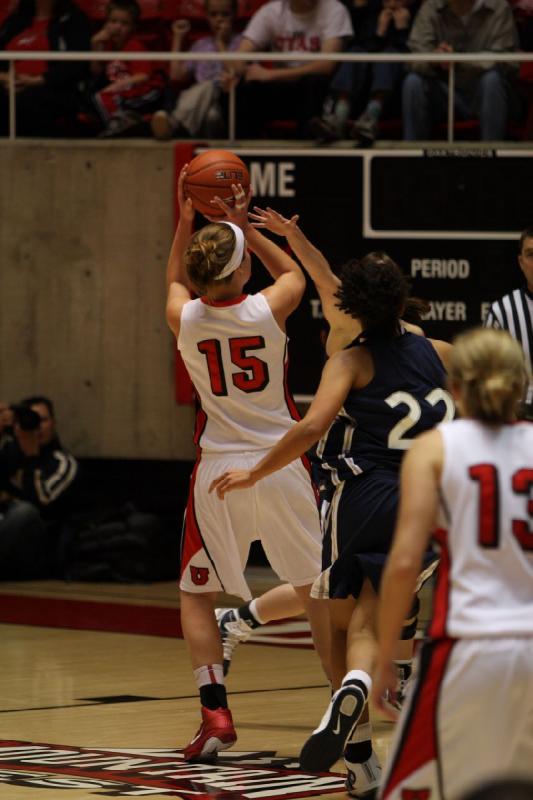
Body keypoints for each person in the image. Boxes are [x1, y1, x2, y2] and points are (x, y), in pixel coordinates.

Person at [211, 209, 453, 793]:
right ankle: (363, 743)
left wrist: (253, 472)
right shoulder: (439, 350)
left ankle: (354, 713)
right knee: (372, 617)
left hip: (364, 493)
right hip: (433, 502)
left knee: (331, 626)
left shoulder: (350, 355)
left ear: (349, 310)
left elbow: (309, 427)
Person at [166, 171, 330, 762]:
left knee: (194, 593)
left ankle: (214, 711)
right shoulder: (268, 309)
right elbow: (295, 273)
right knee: (318, 591)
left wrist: (188, 220)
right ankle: (344, 705)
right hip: (281, 461)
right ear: (241, 270)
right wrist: (242, 225)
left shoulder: (182, 318)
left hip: (217, 472)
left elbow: (174, 282)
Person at [372, 327, 533, 800]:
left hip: (466, 645)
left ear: (455, 388)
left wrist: (385, 659)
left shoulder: (436, 446)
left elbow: (403, 563)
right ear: (521, 385)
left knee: (412, 789)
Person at [229, 0, 353, 138]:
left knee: (313, 82)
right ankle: (247, 151)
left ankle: (309, 152)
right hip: (282, 88)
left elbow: (326, 65)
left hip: (318, 90)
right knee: (241, 90)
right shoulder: (271, 12)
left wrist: (271, 75)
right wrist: (238, 72)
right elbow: (241, 55)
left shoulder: (334, 9)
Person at [402, 0, 520, 141]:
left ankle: (492, 155)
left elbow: (507, 61)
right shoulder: (430, 7)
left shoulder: (498, 6)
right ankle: (411, 156)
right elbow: (413, 59)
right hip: (443, 92)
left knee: (492, 80)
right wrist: (433, 59)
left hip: (484, 91)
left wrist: (459, 60)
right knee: (413, 82)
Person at [309, 0, 415, 145]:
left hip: (394, 91)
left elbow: (412, 56)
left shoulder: (414, 14)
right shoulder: (370, 11)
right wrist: (380, 32)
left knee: (388, 56)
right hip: (361, 85)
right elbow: (362, 45)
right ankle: (338, 119)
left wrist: (401, 29)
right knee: (354, 53)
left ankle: (370, 120)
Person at [0, 395, 80, 579]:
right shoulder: (9, 453)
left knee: (24, 512)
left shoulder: (63, 463)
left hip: (38, 552)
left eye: (42, 420)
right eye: (30, 419)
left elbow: (41, 504)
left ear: (53, 423)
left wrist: (31, 457)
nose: (37, 426)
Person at [151, 0, 242, 140]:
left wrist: (220, 43)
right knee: (210, 113)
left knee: (212, 94)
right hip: (198, 103)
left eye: (225, 14)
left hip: (226, 101)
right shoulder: (201, 45)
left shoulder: (242, 43)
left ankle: (173, 123)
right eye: (214, 15)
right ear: (206, 16)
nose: (219, 19)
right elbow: (176, 76)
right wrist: (178, 37)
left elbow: (236, 71)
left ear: (235, 15)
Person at [0, 0, 91, 137]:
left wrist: (37, 80)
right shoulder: (15, 20)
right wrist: (5, 78)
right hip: (9, 83)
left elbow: (77, 63)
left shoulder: (74, 19)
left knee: (24, 103)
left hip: (52, 88)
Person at [88, 0, 165, 137]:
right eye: (113, 21)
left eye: (124, 23)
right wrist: (95, 45)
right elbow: (96, 71)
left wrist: (117, 86)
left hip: (148, 90)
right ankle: (123, 124)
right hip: (124, 92)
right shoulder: (108, 46)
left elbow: (143, 76)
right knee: (96, 97)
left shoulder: (134, 45)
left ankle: (120, 125)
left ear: (133, 27)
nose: (117, 27)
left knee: (104, 97)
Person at [484, 226, 533, 417]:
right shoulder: (501, 311)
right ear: (521, 262)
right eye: (531, 254)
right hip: (517, 415)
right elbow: (486, 373)